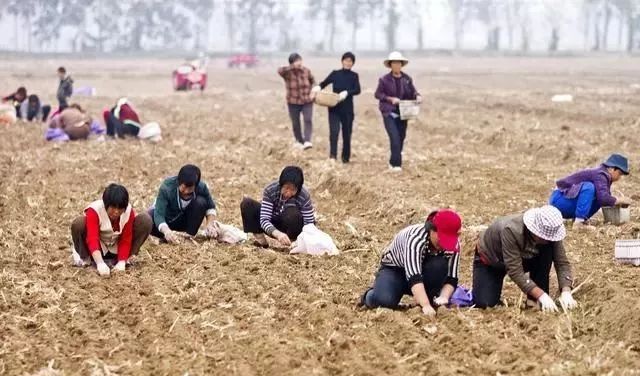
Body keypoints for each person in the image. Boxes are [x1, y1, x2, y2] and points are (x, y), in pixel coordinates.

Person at [472, 205, 578, 312]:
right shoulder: (511, 230)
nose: (547, 240)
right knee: (485, 304)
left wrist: (566, 291)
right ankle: (538, 296)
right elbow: (515, 270)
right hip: (493, 260)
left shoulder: (552, 233)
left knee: (547, 251)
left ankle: (533, 302)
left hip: (524, 257)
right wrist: (542, 295)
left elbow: (562, 263)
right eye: (543, 236)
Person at [359, 209, 462, 317]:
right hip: (396, 271)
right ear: (432, 230)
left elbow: (452, 278)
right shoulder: (415, 238)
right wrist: (426, 305)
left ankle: (424, 298)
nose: (444, 245)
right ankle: (369, 296)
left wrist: (444, 297)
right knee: (384, 301)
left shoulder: (454, 245)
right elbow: (414, 277)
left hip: (425, 271)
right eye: (442, 239)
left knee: (438, 265)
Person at [70, 184, 152, 277]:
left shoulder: (128, 212)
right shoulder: (95, 210)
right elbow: (92, 238)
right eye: (113, 207)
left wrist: (121, 261)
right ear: (106, 205)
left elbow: (126, 238)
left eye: (120, 208)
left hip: (116, 247)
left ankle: (123, 259)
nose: (116, 212)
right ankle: (87, 260)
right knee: (79, 223)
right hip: (97, 249)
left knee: (145, 220)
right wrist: (100, 263)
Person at [240, 166, 315, 248]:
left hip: (292, 226)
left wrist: (301, 240)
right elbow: (264, 219)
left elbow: (309, 224)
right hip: (273, 224)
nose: (288, 193)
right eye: (286, 188)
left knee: (293, 213)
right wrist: (278, 234)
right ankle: (261, 241)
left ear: (298, 189)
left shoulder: (304, 195)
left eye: (293, 190)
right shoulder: (270, 190)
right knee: (247, 204)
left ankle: (293, 242)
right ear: (281, 184)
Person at [550, 153, 631, 229]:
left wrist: (614, 202)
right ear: (612, 168)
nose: (619, 177)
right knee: (589, 187)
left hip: (564, 202)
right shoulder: (601, 174)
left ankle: (580, 220)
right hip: (559, 199)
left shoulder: (604, 176)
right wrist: (619, 200)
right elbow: (604, 199)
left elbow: (604, 200)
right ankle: (579, 223)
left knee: (599, 196)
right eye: (619, 173)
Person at [374, 51, 422, 172]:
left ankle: (392, 161)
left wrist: (418, 96)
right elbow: (378, 94)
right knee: (394, 137)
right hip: (389, 113)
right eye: (394, 63)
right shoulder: (384, 80)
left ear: (401, 64)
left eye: (398, 63)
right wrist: (390, 99)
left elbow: (413, 92)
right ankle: (397, 165)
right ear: (390, 65)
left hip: (403, 112)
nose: (396, 65)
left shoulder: (407, 79)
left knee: (401, 137)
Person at [149, 164, 219, 243]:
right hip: (167, 221)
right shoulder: (167, 187)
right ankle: (167, 237)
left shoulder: (201, 187)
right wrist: (166, 231)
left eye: (189, 189)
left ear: (196, 185)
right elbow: (159, 214)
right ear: (178, 181)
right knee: (149, 217)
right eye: (183, 188)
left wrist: (209, 224)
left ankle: (188, 236)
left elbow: (210, 207)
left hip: (185, 222)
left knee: (201, 201)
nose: (186, 191)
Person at [314, 52, 361, 163]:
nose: (348, 63)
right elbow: (324, 83)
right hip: (334, 107)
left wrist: (347, 92)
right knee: (334, 132)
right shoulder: (335, 74)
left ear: (353, 63)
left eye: (350, 61)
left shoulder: (354, 76)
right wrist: (318, 87)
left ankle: (345, 158)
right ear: (342, 61)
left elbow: (357, 90)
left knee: (346, 134)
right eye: (346, 60)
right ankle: (333, 156)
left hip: (348, 110)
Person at [278, 53, 316, 150]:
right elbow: (280, 71)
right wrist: (292, 67)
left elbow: (313, 81)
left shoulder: (306, 71)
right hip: (293, 101)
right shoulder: (287, 73)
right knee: (295, 122)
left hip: (307, 100)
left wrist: (314, 91)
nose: (298, 63)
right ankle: (299, 140)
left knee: (308, 119)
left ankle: (307, 141)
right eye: (296, 61)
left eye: (299, 60)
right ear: (291, 63)